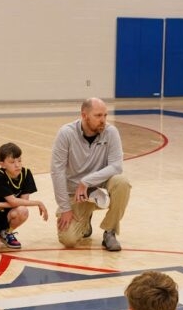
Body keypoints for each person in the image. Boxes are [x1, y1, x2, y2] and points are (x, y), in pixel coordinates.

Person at [51, 98, 131, 251]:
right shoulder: (66, 133)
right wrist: (65, 208)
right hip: (76, 194)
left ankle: (110, 231)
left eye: (105, 115)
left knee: (122, 182)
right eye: (98, 115)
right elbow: (57, 172)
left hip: (101, 188)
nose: (103, 120)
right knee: (68, 240)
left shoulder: (111, 132)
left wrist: (86, 181)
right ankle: (85, 220)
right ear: (84, 115)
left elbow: (116, 166)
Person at [0, 142, 48, 252]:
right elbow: (14, 202)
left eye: (19, 160)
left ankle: (6, 233)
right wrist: (38, 203)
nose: (17, 165)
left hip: (6, 213)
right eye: (12, 162)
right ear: (2, 164)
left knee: (23, 210)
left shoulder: (26, 173)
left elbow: (23, 202)